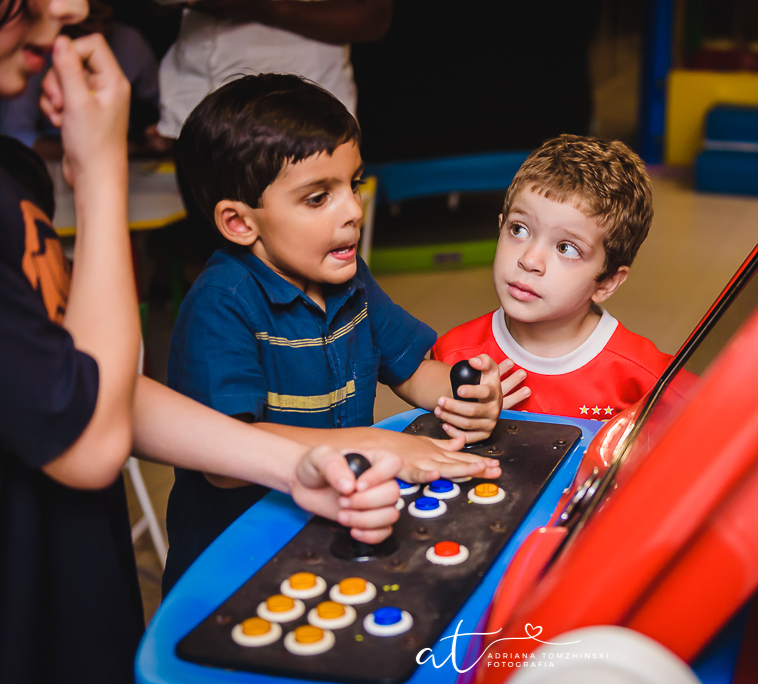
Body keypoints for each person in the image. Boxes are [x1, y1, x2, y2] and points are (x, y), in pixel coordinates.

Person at [0, 3, 405, 681]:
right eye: (21, 3)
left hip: (72, 593)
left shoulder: (13, 177)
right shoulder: (222, 298)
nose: (69, 8)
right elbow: (88, 440)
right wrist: (99, 174)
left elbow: (90, 386)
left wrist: (296, 469)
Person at [164, 72, 504, 594]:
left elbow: (414, 372)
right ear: (239, 223)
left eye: (355, 184)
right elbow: (225, 462)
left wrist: (467, 395)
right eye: (318, 198)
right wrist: (368, 442)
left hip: (336, 524)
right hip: (239, 556)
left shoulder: (350, 280)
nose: (353, 211)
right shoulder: (221, 304)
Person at [433, 135, 700, 420]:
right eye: (519, 230)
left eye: (566, 248)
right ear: (500, 227)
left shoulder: (644, 376)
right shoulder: (452, 355)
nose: (529, 260)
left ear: (608, 281)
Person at [156, 0, 392, 141]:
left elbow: (374, 18)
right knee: (205, 223)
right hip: (190, 102)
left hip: (298, 119)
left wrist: (260, 7)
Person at [0, 0, 161, 158]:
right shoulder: (30, 58)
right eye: (89, 20)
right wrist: (99, 150)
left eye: (106, 21)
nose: (78, 10)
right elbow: (17, 137)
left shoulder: (130, 44)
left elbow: (160, 100)